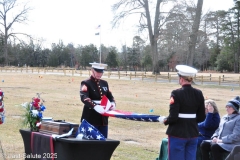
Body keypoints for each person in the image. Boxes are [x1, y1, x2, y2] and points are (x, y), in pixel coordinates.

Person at [158, 65, 206, 160]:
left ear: (181, 78)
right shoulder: (198, 93)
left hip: (178, 133)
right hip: (193, 133)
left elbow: (173, 117)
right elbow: (201, 117)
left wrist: (165, 120)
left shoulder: (176, 93)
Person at [79, 62, 116, 138]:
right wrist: (95, 106)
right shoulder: (86, 83)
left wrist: (113, 103)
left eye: (101, 72)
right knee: (90, 143)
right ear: (92, 71)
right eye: (97, 72)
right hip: (91, 118)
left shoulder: (104, 83)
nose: (100, 74)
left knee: (103, 142)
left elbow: (110, 96)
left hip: (103, 119)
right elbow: (84, 97)